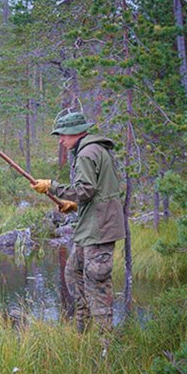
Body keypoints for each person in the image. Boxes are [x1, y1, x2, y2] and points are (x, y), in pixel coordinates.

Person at [31, 111, 125, 332]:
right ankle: (81, 332)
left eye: (63, 135)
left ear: (76, 133)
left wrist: (52, 186)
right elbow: (98, 190)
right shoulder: (95, 149)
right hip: (92, 227)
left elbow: (85, 190)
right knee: (73, 273)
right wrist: (73, 206)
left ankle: (105, 344)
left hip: (99, 230)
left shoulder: (86, 153)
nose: (61, 141)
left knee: (97, 283)